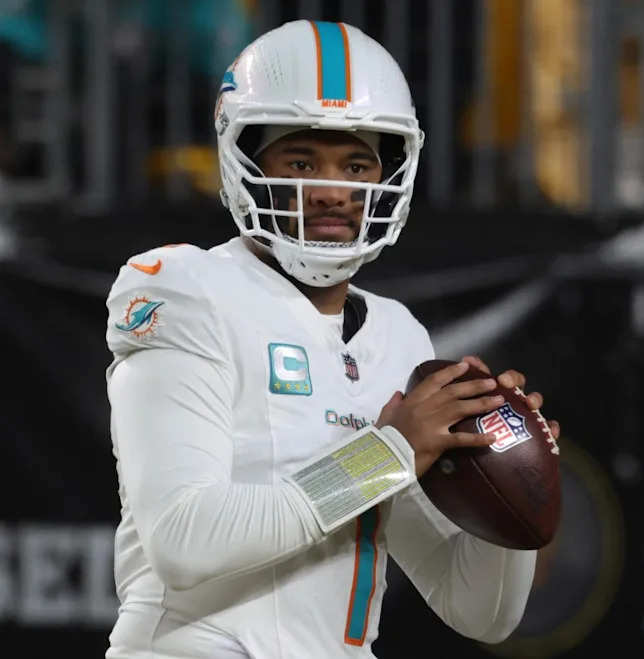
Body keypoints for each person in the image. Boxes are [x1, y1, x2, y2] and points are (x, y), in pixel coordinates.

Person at [103, 19, 561, 659]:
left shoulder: (398, 338)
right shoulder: (184, 288)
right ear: (244, 164)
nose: (329, 191)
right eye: (300, 161)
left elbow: (476, 611)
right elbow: (183, 542)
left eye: (355, 165)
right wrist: (389, 451)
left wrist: (514, 477)